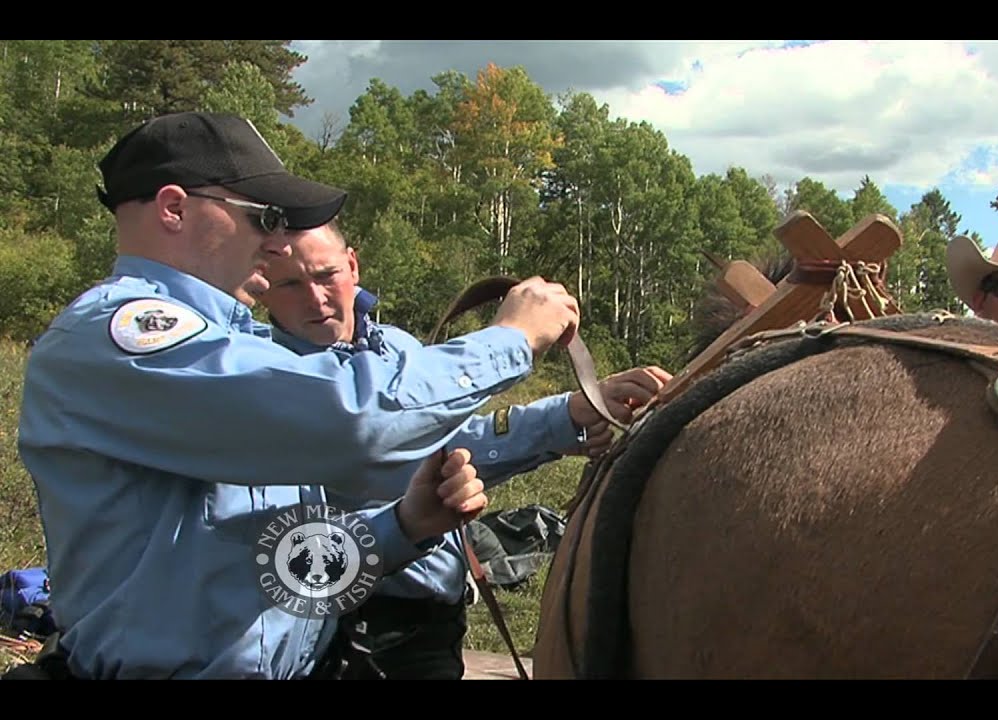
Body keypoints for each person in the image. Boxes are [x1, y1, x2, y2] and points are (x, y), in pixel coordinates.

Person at [13, 111, 583, 679]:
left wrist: (406, 525)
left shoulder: (239, 352)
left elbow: (281, 574)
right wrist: (512, 340)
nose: (278, 243)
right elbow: (355, 422)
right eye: (264, 217)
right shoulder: (123, 336)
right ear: (173, 208)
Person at [254, 221, 672, 678]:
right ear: (262, 289)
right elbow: (378, 436)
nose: (315, 298)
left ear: (353, 266)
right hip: (341, 626)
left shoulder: (395, 348)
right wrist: (514, 345)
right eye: (291, 284)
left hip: (435, 619)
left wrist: (570, 414)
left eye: (325, 275)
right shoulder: (273, 378)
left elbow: (452, 441)